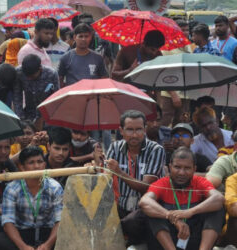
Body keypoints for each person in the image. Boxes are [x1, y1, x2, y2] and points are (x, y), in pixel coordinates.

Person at [139, 147, 225, 250]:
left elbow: (219, 198)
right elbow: (144, 202)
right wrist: (172, 218)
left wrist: (190, 212)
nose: (181, 173)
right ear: (170, 167)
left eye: (187, 168)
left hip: (195, 237)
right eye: (177, 167)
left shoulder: (200, 181)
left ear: (194, 169)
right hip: (169, 238)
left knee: (217, 209)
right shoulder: (162, 183)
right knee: (152, 211)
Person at [102, 110, 165, 244]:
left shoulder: (156, 150)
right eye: (130, 130)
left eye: (139, 129)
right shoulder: (114, 147)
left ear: (145, 130)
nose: (135, 135)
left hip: (146, 208)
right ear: (121, 131)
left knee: (131, 222)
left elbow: (147, 187)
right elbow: (105, 180)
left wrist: (119, 172)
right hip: (121, 206)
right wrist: (96, 166)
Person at [0, 146, 63, 250]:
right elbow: (8, 222)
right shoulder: (12, 188)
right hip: (22, 233)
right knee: (0, 240)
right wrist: (23, 247)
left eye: (40, 162)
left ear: (44, 164)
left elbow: (60, 221)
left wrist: (47, 245)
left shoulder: (54, 187)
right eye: (31, 163)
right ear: (22, 167)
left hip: (47, 232)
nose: (37, 166)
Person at [13, 54, 59, 126]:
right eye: (27, 76)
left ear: (40, 69)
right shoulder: (18, 72)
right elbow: (17, 96)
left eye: (32, 76)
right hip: (29, 112)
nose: (29, 78)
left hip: (46, 114)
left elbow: (56, 97)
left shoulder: (51, 74)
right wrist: (20, 119)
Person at [58, 23, 107, 87]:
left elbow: (103, 79)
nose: (83, 39)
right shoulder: (66, 58)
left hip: (92, 95)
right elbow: (59, 80)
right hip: (73, 95)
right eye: (80, 36)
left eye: (86, 36)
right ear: (75, 37)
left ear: (90, 37)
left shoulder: (98, 58)